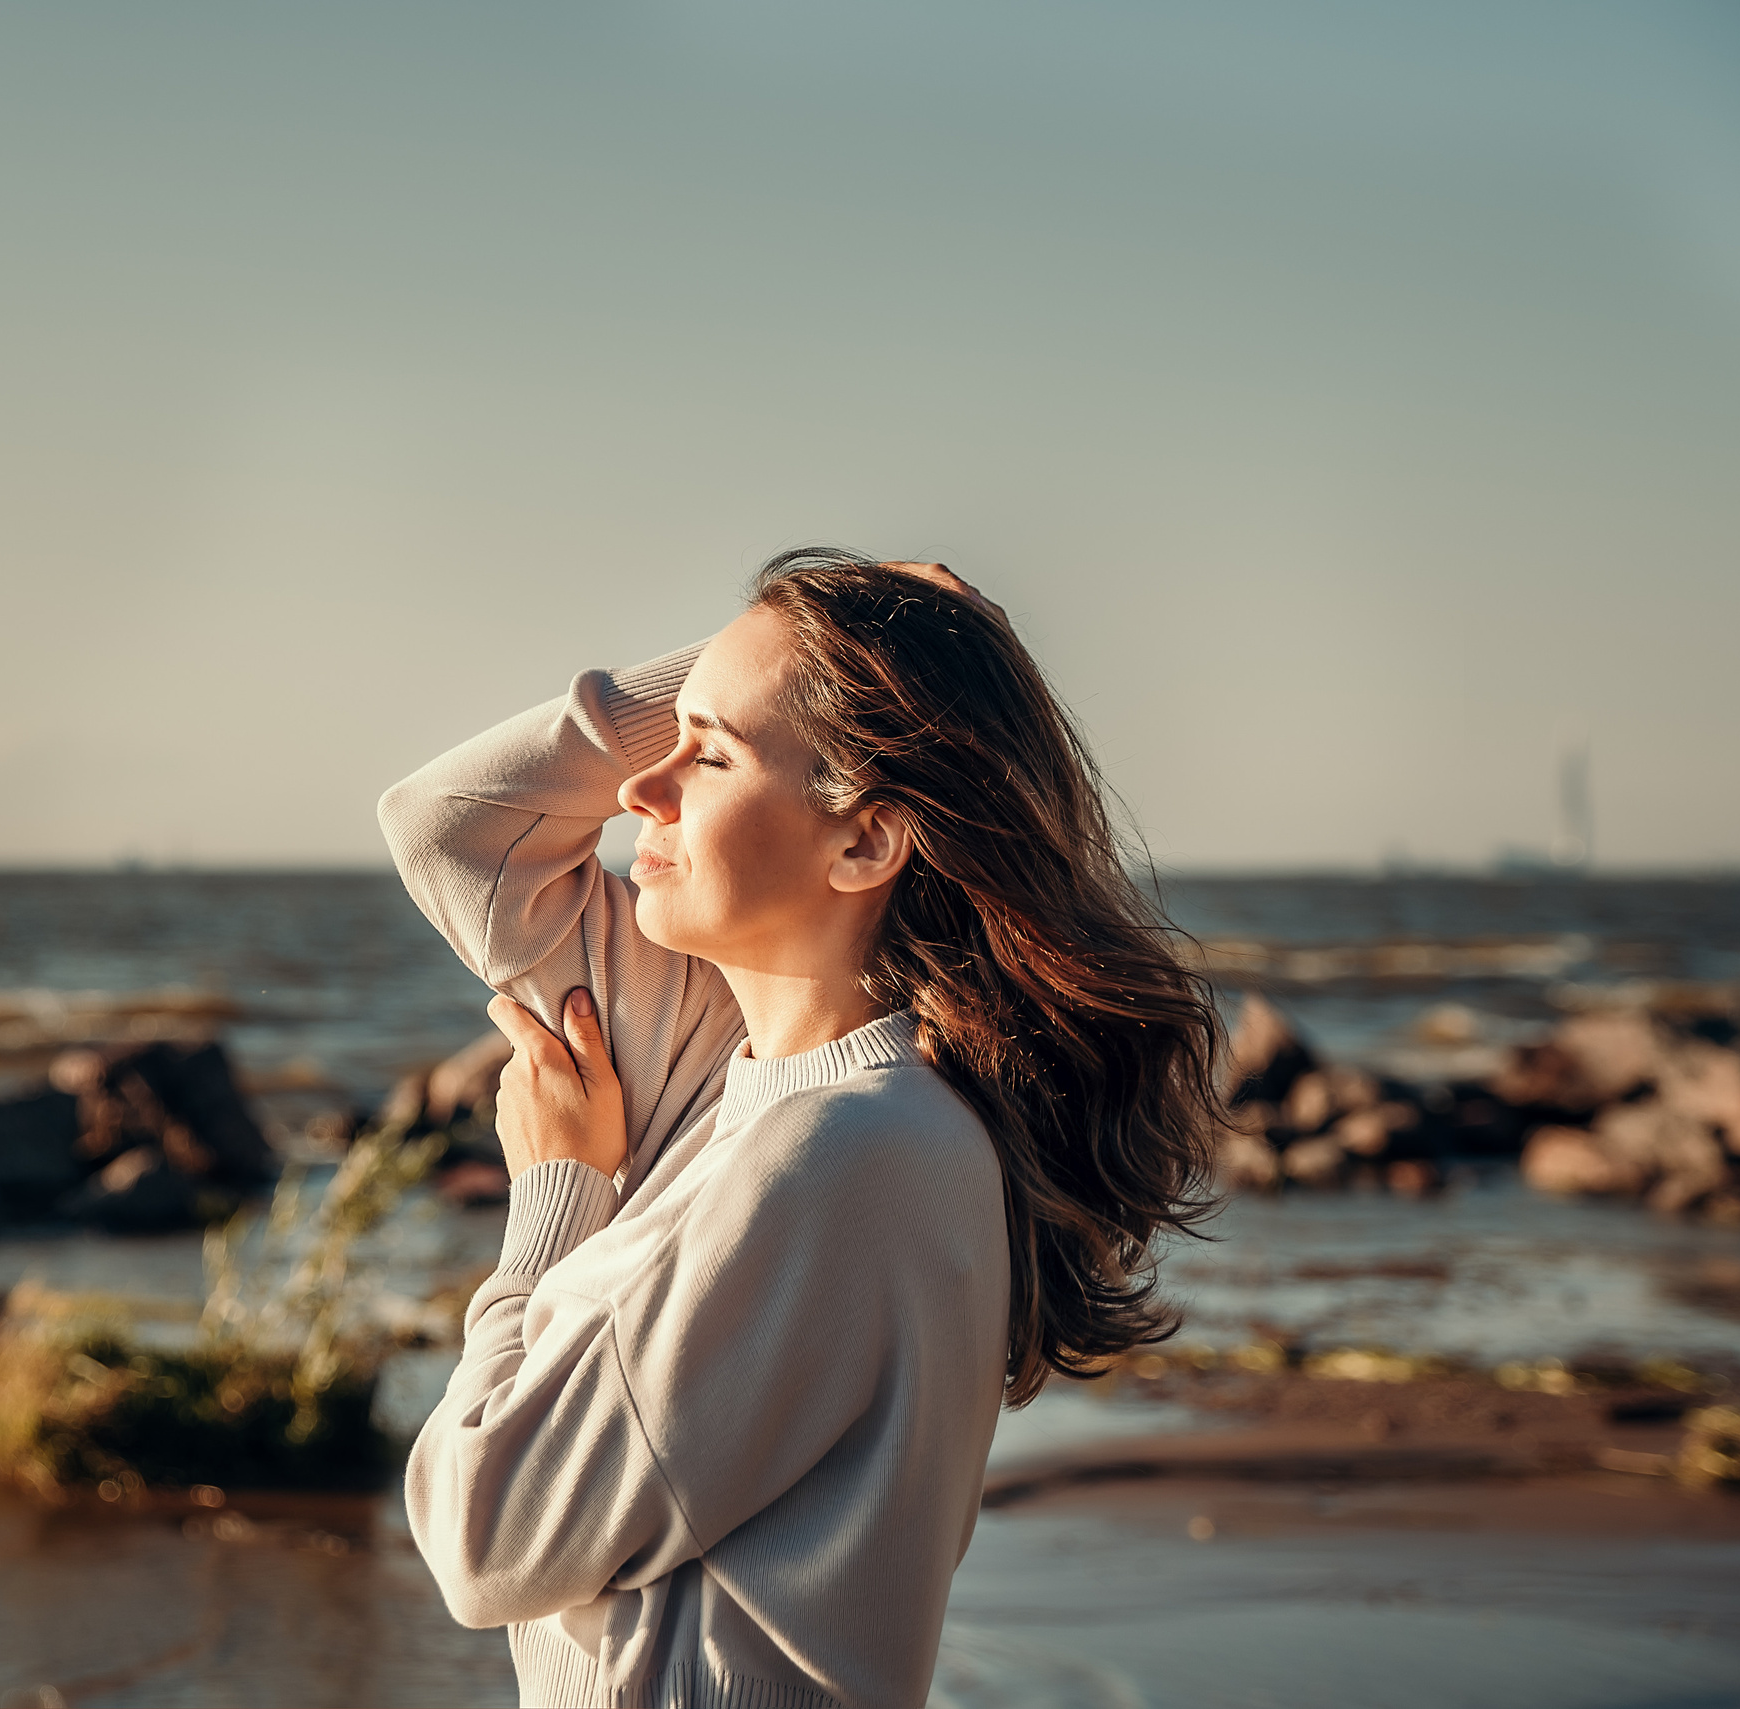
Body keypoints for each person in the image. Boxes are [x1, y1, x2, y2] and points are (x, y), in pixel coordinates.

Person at [380, 548, 1222, 1708]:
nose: (640, 787)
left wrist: (556, 1198)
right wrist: (801, 644)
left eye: (707, 755)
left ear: (864, 843)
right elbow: (448, 824)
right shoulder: (735, 1068)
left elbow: (486, 1539)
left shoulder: (841, 1152)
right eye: (663, 740)